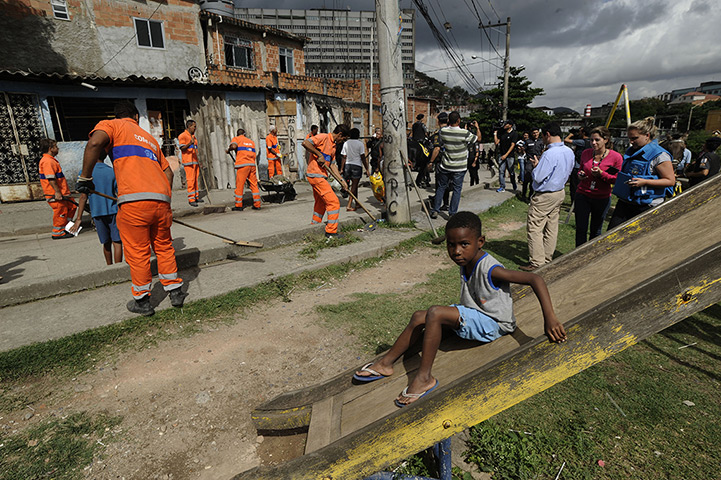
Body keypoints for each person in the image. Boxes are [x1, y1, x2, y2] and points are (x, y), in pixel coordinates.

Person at [353, 211, 566, 406]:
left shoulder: (491, 269)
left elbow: (534, 278)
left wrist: (550, 318)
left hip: (494, 324)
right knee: (419, 316)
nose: (456, 251)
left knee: (435, 313)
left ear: (480, 242)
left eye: (464, 244)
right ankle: (386, 363)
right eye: (451, 245)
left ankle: (424, 378)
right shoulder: (466, 261)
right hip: (475, 315)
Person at [77, 101, 185, 316]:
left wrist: (86, 178)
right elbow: (169, 173)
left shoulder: (113, 126)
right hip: (161, 202)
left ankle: (142, 301)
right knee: (163, 246)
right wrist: (165, 201)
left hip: (133, 203)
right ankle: (175, 291)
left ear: (119, 116)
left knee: (138, 252)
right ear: (136, 117)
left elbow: (94, 143)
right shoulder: (150, 140)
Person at [521, 122, 574, 271]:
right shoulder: (568, 151)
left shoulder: (550, 153)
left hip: (545, 195)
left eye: (543, 135)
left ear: (547, 135)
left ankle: (537, 262)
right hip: (559, 191)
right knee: (551, 227)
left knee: (535, 227)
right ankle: (547, 257)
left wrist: (537, 166)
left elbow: (538, 177)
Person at [607, 117, 676, 230]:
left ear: (647, 135)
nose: (631, 142)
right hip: (626, 202)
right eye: (629, 138)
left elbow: (670, 181)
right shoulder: (633, 151)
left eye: (635, 138)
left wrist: (644, 182)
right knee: (611, 235)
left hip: (647, 206)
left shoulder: (659, 155)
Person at [573, 126, 623, 247]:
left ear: (606, 140)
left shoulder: (616, 157)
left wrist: (602, 174)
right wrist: (581, 175)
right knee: (581, 228)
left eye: (597, 140)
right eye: (591, 140)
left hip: (601, 197)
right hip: (583, 194)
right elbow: (581, 169)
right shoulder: (586, 153)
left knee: (596, 230)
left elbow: (617, 179)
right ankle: (578, 255)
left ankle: (591, 255)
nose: (593, 143)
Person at [68, 155, 123, 264]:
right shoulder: (112, 171)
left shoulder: (85, 174)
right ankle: (118, 268)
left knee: (106, 243)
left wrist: (78, 218)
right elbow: (119, 193)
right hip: (113, 211)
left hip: (97, 213)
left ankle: (109, 267)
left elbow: (83, 197)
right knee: (117, 242)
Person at [302, 124, 350, 238]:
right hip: (315, 175)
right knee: (334, 202)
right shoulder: (323, 137)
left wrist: (342, 181)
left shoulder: (333, 147)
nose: (342, 141)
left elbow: (333, 166)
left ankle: (314, 226)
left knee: (321, 203)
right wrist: (318, 154)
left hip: (321, 176)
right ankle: (331, 232)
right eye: (343, 139)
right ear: (339, 134)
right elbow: (305, 143)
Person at [428, 112, 478, 218]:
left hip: (446, 165)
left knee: (441, 187)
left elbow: (440, 144)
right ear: (459, 120)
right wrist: (477, 128)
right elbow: (478, 139)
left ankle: (435, 210)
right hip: (460, 167)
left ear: (448, 120)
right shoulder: (465, 133)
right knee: (456, 190)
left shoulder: (443, 132)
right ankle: (452, 213)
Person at [38, 138, 77, 239]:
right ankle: (58, 232)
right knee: (61, 212)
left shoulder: (51, 160)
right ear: (51, 148)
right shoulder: (47, 162)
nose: (58, 149)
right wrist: (57, 192)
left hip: (63, 193)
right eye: (56, 147)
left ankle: (65, 226)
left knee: (72, 207)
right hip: (55, 194)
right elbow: (51, 179)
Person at [227, 128, 261, 212]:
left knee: (240, 185)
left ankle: (238, 205)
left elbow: (234, 146)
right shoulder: (251, 142)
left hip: (243, 165)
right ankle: (257, 204)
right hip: (252, 165)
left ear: (238, 134)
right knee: (253, 185)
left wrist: (229, 149)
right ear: (245, 134)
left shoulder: (237, 139)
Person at [340, 127, 371, 211]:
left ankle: (357, 203)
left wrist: (342, 168)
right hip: (356, 166)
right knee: (354, 186)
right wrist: (367, 168)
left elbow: (344, 156)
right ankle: (349, 205)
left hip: (347, 166)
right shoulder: (360, 144)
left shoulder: (346, 143)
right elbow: (363, 157)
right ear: (358, 135)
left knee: (354, 186)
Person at [428, 112, 450, 213]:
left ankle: (436, 207)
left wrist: (431, 161)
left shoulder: (439, 134)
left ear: (438, 121)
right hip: (452, 161)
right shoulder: (452, 132)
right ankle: (446, 204)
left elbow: (436, 149)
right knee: (447, 185)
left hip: (441, 162)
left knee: (440, 184)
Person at [178, 120, 202, 207]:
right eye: (194, 126)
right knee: (191, 180)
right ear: (189, 126)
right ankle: (191, 199)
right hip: (188, 162)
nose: (195, 128)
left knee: (195, 180)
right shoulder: (182, 136)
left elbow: (196, 150)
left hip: (195, 161)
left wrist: (199, 162)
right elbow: (182, 148)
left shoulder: (193, 137)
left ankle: (196, 196)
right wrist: (189, 143)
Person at [564, 127, 590, 203]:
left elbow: (566, 140)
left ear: (583, 133)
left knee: (574, 187)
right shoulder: (590, 142)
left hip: (577, 167)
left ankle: (574, 203)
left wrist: (571, 135)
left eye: (580, 131)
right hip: (585, 167)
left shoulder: (582, 142)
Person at [494, 120, 518, 192]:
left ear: (510, 125)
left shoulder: (514, 134)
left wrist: (506, 155)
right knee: (501, 171)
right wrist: (495, 134)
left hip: (510, 156)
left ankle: (513, 183)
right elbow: (496, 142)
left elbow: (512, 145)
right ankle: (502, 186)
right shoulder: (502, 133)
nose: (505, 125)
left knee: (511, 171)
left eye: (507, 124)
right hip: (501, 154)